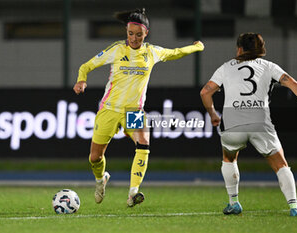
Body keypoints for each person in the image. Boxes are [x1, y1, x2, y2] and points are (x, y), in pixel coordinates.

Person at [73, 8, 204, 207]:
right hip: (109, 109)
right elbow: (86, 66)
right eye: (130, 34)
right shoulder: (116, 50)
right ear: (126, 32)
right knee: (95, 157)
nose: (134, 39)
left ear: (146, 34)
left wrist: (197, 47)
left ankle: (133, 192)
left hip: (134, 111)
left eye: (139, 35)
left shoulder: (151, 52)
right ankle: (100, 181)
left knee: (143, 142)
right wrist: (81, 80)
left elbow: (175, 53)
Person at [200, 33, 297, 217]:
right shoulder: (269, 66)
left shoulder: (226, 67)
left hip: (233, 123)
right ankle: (294, 208)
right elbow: (292, 83)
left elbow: (205, 92)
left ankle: (233, 203)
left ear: (240, 49)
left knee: (229, 158)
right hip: (260, 122)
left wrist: (212, 114)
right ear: (260, 49)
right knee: (281, 164)